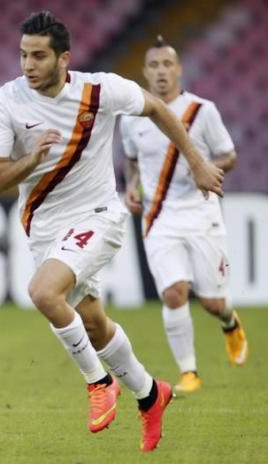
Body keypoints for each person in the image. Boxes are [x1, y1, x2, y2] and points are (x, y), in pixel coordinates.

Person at [0, 12, 223, 452]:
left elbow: (156, 108)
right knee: (92, 325)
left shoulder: (99, 90)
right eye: (23, 55)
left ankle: (98, 384)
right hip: (43, 226)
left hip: (98, 215)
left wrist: (195, 160)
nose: (28, 65)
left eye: (39, 56)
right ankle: (151, 394)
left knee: (42, 293)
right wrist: (31, 161)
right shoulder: (7, 101)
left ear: (64, 59)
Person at [119, 36, 248, 394]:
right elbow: (131, 159)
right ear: (145, 72)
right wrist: (132, 185)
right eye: (154, 65)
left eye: (167, 64)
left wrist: (205, 166)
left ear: (178, 69)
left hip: (202, 214)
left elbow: (229, 155)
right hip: (158, 217)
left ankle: (229, 320)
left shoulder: (201, 111)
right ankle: (188, 371)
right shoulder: (132, 117)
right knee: (174, 293)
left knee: (211, 301)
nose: (161, 71)